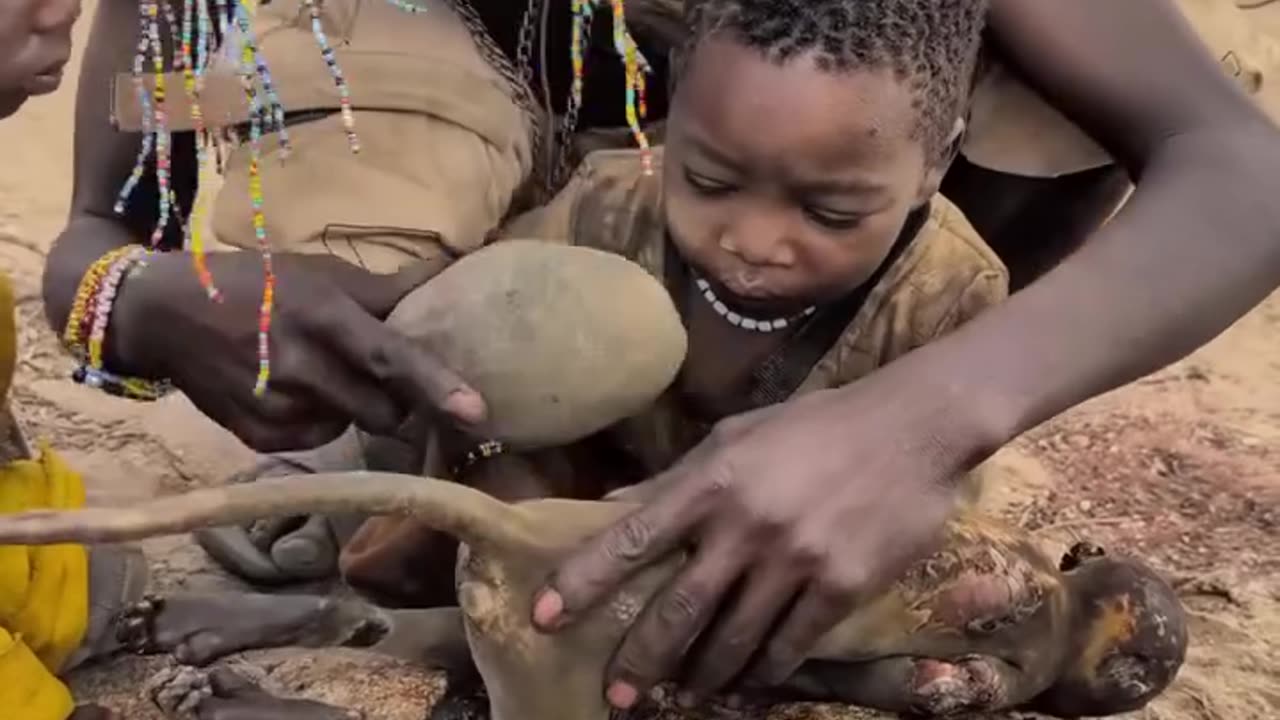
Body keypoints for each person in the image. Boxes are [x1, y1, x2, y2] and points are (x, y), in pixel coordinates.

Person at [525, 0, 1280, 711]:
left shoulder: (945, 284)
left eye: (827, 210)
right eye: (711, 181)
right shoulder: (613, 200)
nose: (754, 243)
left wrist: (912, 429)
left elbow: (1250, 180)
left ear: (938, 162)